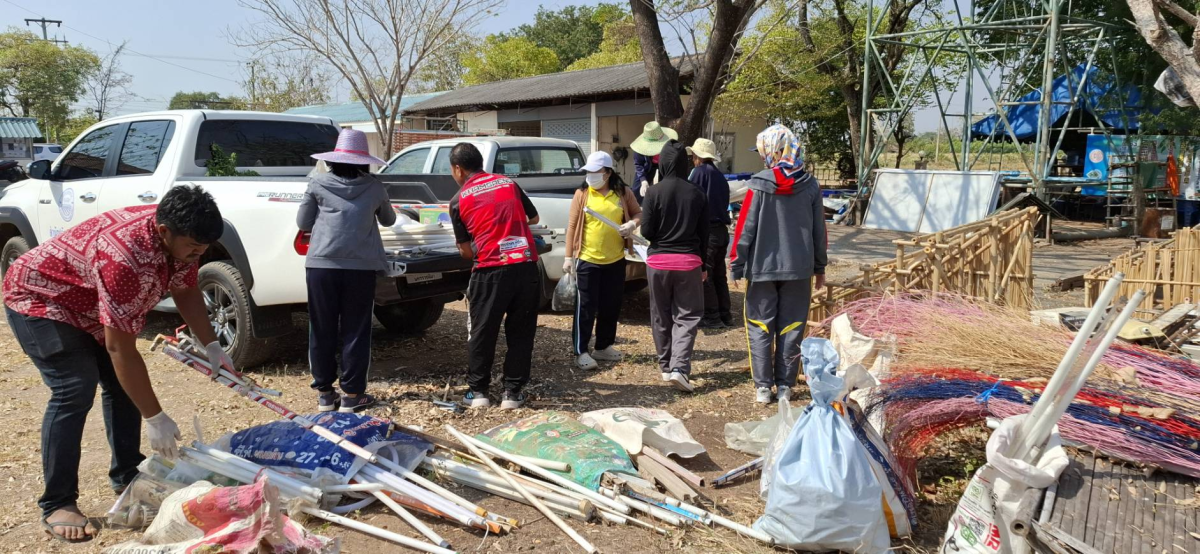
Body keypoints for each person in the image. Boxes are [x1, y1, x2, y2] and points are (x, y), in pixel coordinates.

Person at [3, 186, 235, 543]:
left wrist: (212, 344)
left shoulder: (181, 236)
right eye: (193, 247)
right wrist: (155, 418)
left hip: (87, 302)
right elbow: (120, 349)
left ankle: (127, 475)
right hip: (41, 298)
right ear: (164, 231)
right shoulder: (126, 258)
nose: (197, 255)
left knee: (122, 384)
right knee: (74, 388)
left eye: (203, 249)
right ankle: (57, 503)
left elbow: (186, 289)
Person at [297, 128, 396, 413]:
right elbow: (389, 221)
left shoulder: (316, 183)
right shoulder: (375, 186)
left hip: (321, 265)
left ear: (332, 159)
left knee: (321, 327)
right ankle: (352, 395)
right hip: (360, 268)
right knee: (356, 329)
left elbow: (303, 222)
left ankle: (325, 395)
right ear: (364, 161)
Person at [730, 124, 827, 405]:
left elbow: (745, 228)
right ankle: (785, 386)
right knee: (792, 326)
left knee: (760, 326)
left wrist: (736, 264)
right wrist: (819, 267)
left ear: (771, 151)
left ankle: (763, 387)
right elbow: (819, 231)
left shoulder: (758, 184)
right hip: (799, 269)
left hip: (761, 270)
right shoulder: (810, 185)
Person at [448, 143, 540, 410]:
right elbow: (534, 218)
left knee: (483, 332)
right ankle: (513, 393)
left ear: (458, 169)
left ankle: (478, 393)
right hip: (525, 266)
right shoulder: (508, 183)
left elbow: (466, 252)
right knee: (521, 332)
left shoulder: (458, 200)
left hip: (489, 270)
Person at [563, 151, 642, 370]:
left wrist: (632, 224)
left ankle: (603, 346)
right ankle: (581, 351)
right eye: (588, 172)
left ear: (607, 173)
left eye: (595, 171)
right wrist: (568, 257)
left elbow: (638, 213)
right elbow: (572, 226)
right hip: (588, 259)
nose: (590, 176)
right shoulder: (582, 194)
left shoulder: (623, 192)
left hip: (615, 260)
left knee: (611, 305)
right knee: (586, 307)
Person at [641, 140, 708, 392]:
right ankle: (679, 367)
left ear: (663, 163)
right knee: (687, 316)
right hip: (689, 262)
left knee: (660, 314)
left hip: (658, 262)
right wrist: (704, 265)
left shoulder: (654, 192)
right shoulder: (697, 193)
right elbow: (704, 234)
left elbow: (646, 231)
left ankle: (666, 366)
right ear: (684, 164)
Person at [687, 138, 733, 328]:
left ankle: (712, 316)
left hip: (708, 231)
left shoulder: (698, 173)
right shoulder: (720, 176)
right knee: (720, 274)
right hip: (722, 230)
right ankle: (725, 314)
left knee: (705, 274)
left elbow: (691, 200)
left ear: (697, 156)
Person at [631, 122, 678, 202]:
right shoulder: (639, 149)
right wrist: (643, 181)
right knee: (638, 191)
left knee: (665, 188)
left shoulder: (669, 146)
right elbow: (638, 164)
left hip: (664, 166)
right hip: (647, 166)